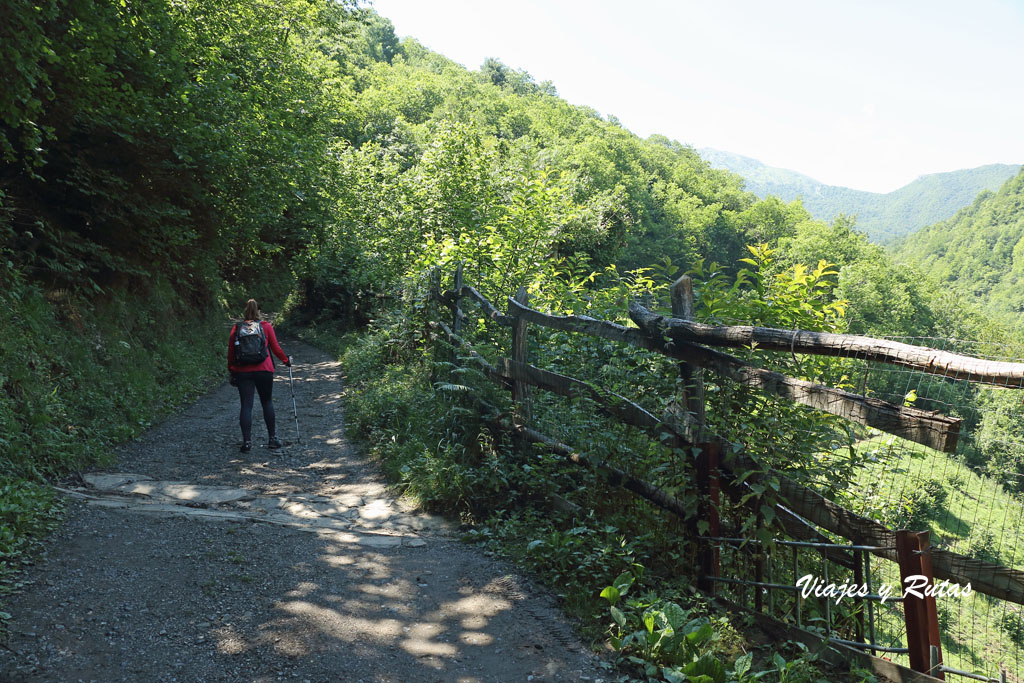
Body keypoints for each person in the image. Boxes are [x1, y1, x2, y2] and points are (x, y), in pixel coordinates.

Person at [228, 299, 290, 452]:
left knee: (246, 405)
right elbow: (275, 347)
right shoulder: (266, 327)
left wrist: (232, 368)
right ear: (259, 312)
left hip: (243, 370)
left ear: (245, 311)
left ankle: (247, 442)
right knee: (267, 402)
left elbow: (231, 352)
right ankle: (272, 439)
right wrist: (286, 360)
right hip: (264, 369)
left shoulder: (237, 328)